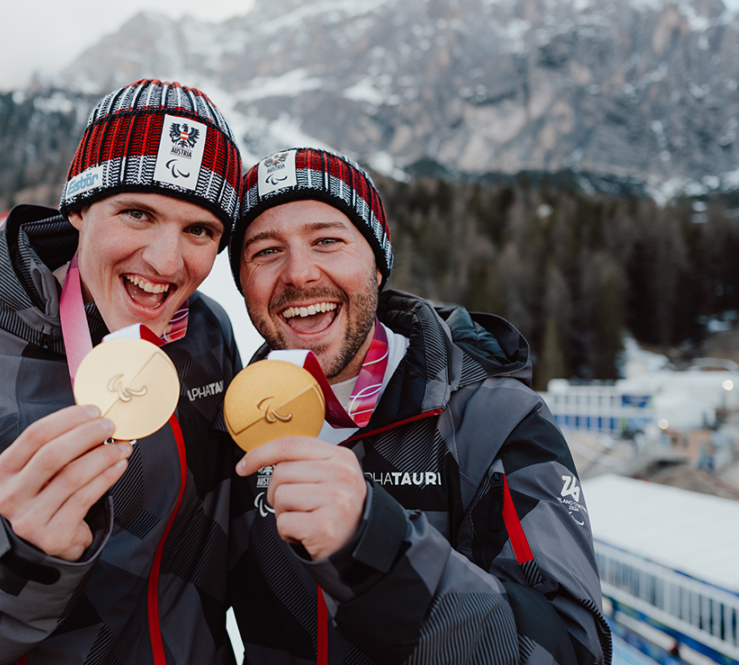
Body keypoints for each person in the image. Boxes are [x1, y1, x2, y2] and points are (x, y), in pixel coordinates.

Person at [0, 79, 244, 664]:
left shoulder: (205, 333)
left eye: (200, 230)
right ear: (80, 209)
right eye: (137, 213)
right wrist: (14, 560)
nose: (166, 262)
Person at [226, 148, 612, 665]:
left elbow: (570, 650)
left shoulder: (490, 419)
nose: (299, 274)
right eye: (266, 252)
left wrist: (378, 549)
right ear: (244, 286)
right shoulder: (232, 423)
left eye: (327, 240)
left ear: (377, 265)